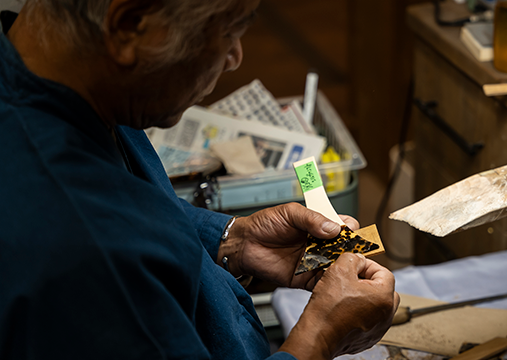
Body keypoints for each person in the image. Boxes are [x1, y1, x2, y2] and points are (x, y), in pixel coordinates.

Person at [0, 0, 400, 359]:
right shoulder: (89, 254)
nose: (235, 56)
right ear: (130, 25)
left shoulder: (68, 82)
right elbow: (110, 233)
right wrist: (320, 339)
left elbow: (128, 201)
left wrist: (229, 238)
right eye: (228, 30)